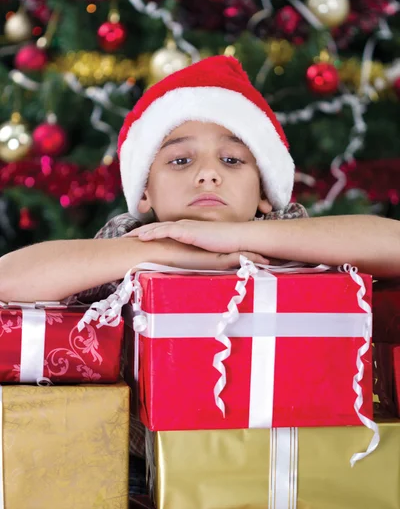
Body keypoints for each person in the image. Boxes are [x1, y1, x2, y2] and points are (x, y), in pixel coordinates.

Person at [1, 54, 400, 463]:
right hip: (148, 474)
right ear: (144, 194)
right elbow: (7, 279)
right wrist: (173, 250)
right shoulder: (126, 243)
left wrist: (235, 235)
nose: (209, 174)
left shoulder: (292, 238)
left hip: (289, 463)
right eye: (180, 161)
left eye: (232, 160)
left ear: (264, 192)